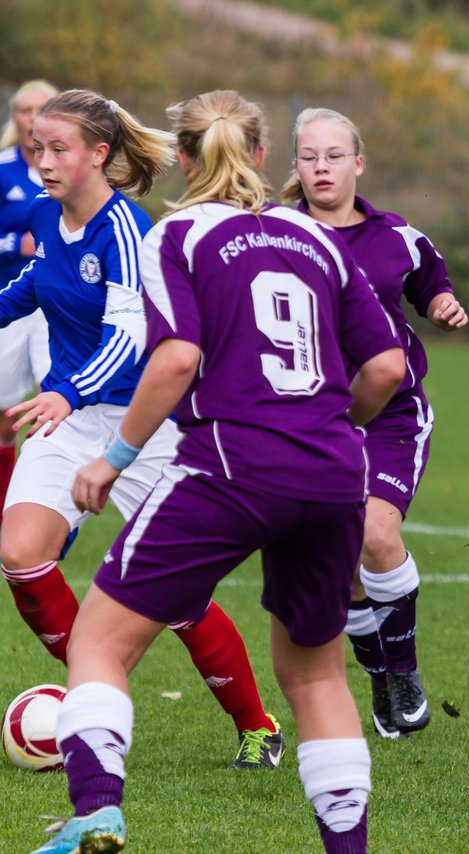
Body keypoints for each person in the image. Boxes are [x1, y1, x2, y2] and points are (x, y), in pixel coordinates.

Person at [32, 88, 404, 854]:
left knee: (99, 643)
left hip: (231, 464)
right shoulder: (320, 240)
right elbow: (389, 366)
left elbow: (175, 358)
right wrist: (337, 428)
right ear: (265, 156)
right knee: (316, 678)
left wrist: (114, 458)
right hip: (334, 474)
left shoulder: (181, 236)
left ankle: (96, 812)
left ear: (186, 157)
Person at [0, 89, 284, 771]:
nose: (41, 160)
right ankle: (91, 700)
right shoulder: (46, 215)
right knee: (19, 552)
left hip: (142, 425)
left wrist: (67, 389)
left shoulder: (127, 228)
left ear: (99, 154)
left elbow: (129, 338)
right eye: (36, 146)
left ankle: (257, 725)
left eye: (57, 147)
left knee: (180, 596)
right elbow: (34, 290)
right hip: (66, 419)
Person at [282, 107, 468, 739]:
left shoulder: (398, 238)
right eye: (309, 156)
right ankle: (379, 673)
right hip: (306, 421)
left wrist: (443, 305)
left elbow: (431, 287)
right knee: (340, 568)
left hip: (390, 416)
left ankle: (405, 673)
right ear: (296, 167)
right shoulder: (276, 234)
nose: (322, 167)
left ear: (358, 163)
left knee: (376, 536)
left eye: (335, 156)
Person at [0, 80, 58, 523]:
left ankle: (42, 505)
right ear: (16, 117)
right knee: (4, 417)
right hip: (11, 304)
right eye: (25, 110)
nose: (32, 117)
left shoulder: (70, 168)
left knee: (50, 401)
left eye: (42, 109)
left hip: (54, 310)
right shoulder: (3, 169)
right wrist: (10, 244)